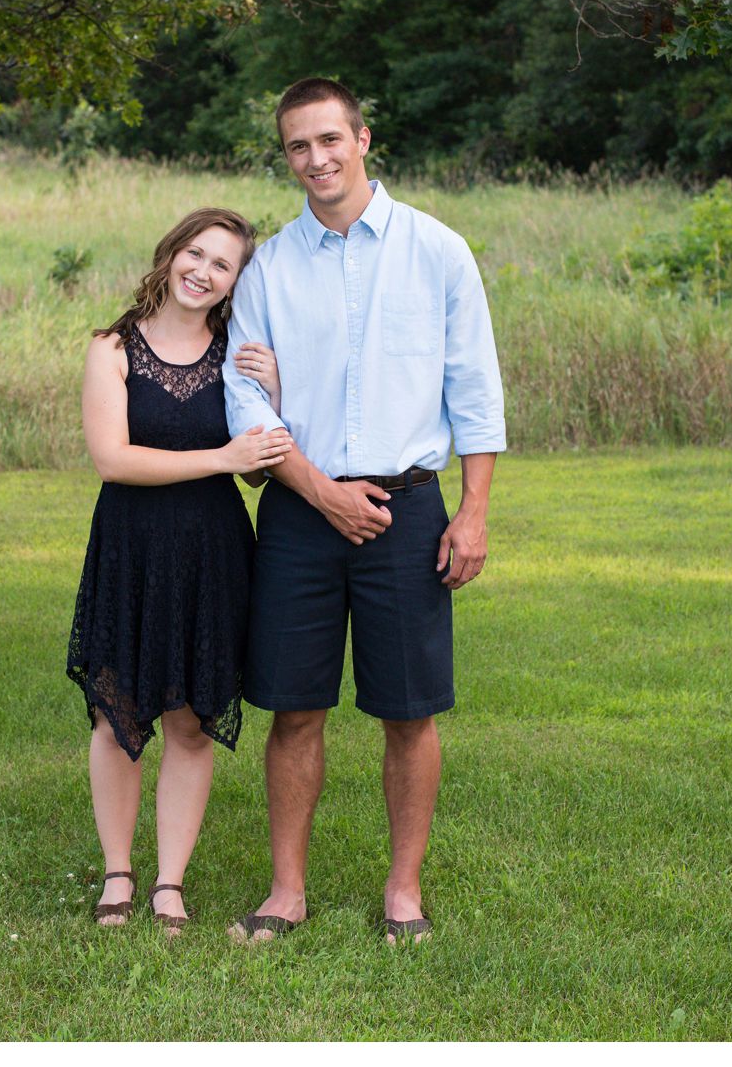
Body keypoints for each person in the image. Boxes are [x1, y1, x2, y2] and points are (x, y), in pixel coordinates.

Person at [222, 77, 506, 945]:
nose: (316, 160)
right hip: (304, 515)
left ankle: (404, 895)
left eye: (329, 141)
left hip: (411, 513)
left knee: (408, 711)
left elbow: (475, 390)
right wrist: (319, 491)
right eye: (298, 148)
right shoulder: (267, 266)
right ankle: (285, 894)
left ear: (363, 139)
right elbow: (246, 398)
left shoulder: (438, 251)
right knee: (293, 707)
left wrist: (474, 511)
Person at [66, 206, 294, 935]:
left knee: (192, 722)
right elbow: (113, 459)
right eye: (194, 253)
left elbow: (257, 475)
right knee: (116, 713)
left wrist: (275, 401)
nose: (203, 271)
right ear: (170, 256)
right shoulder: (112, 349)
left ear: (233, 284)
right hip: (131, 547)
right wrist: (221, 460)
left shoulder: (237, 354)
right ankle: (118, 875)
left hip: (213, 552)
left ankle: (169, 883)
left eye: (221, 264)